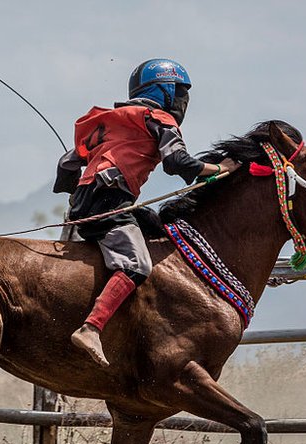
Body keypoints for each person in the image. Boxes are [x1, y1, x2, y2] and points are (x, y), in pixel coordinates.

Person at [53, 58, 240, 367]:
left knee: (155, 226)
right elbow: (178, 162)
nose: (182, 103)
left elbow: (66, 165)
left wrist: (74, 188)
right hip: (111, 199)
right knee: (137, 265)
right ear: (165, 91)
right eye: (180, 94)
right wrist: (221, 168)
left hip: (84, 202)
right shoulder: (159, 118)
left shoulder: (109, 119)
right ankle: (92, 328)